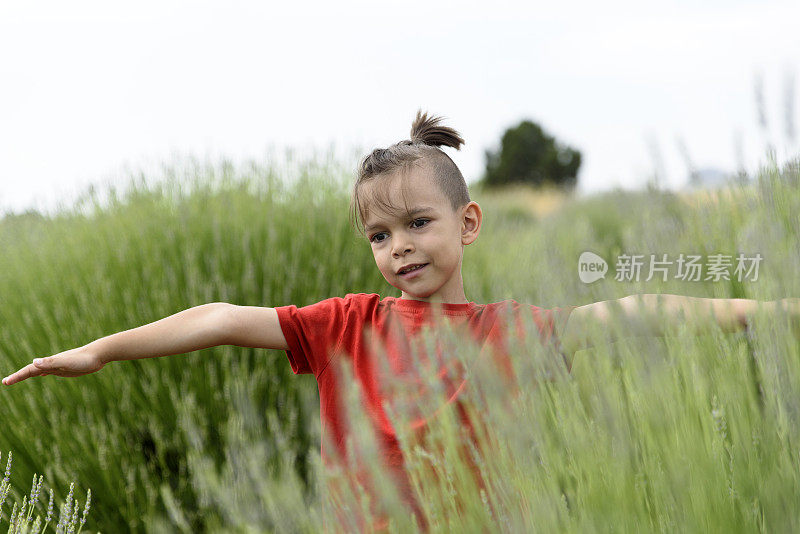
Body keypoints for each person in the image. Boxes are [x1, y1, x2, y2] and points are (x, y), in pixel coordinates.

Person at [2, 110, 798, 532]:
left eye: (418, 223)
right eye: (379, 236)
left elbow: (640, 308)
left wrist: (774, 312)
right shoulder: (346, 324)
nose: (399, 248)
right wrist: (99, 352)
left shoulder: (512, 330)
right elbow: (219, 317)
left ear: (470, 224)